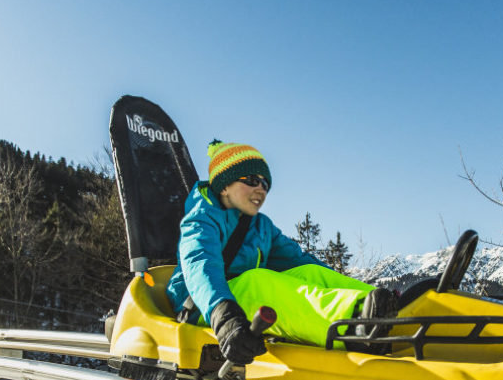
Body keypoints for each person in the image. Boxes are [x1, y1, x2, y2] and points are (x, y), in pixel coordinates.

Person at [166, 140, 399, 365]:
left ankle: (386, 308)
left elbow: (300, 262)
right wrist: (222, 315)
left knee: (309, 271)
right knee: (257, 280)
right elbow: (200, 265)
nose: (261, 189)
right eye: (252, 180)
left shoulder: (260, 227)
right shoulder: (202, 218)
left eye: (265, 184)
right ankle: (351, 325)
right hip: (205, 307)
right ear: (224, 185)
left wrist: (344, 286)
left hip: (239, 303)